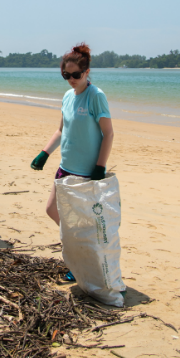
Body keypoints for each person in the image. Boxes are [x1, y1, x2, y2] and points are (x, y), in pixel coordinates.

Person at [31, 43, 114, 227]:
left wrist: (100, 167)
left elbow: (108, 134)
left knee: (83, 220)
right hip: (65, 167)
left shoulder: (96, 96)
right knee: (52, 210)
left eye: (76, 75)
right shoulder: (68, 96)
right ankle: (75, 244)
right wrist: (44, 153)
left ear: (86, 71)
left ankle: (80, 248)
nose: (71, 79)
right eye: (66, 75)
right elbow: (61, 130)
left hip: (86, 173)